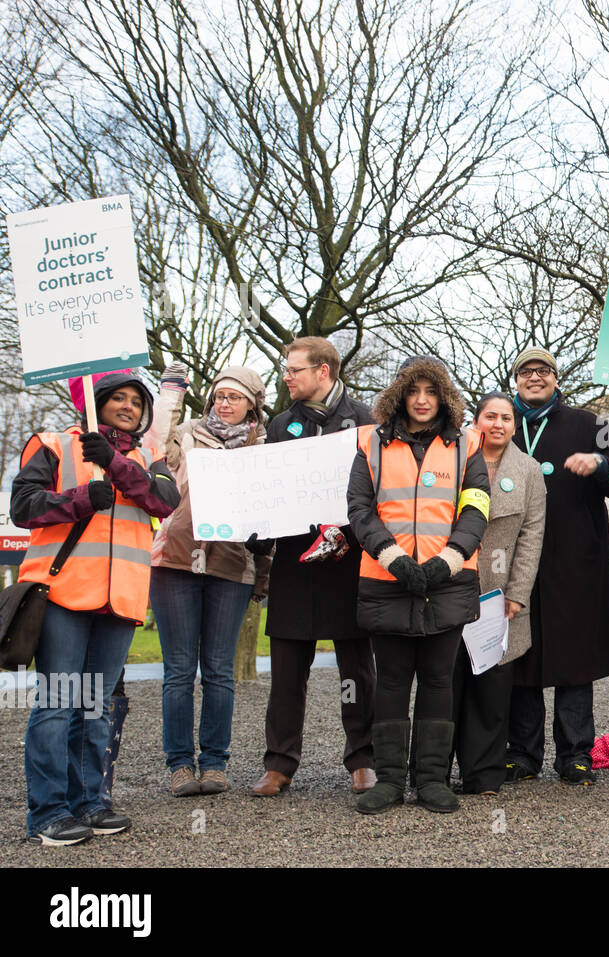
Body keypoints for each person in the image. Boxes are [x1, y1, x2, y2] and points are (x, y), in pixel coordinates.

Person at [13, 372, 179, 845]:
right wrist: (81, 498)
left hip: (121, 597)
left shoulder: (149, 457)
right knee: (58, 703)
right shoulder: (53, 443)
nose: (128, 406)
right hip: (64, 592)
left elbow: (165, 501)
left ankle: (89, 801)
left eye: (136, 401)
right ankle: (48, 813)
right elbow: (23, 507)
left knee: (96, 706)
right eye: (118, 398)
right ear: (97, 401)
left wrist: (116, 464)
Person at [347, 356, 490, 813]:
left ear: (444, 396)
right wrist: (392, 558)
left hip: (447, 581)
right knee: (390, 680)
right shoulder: (370, 442)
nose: (422, 400)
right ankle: (388, 780)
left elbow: (476, 508)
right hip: (387, 579)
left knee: (438, 679)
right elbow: (359, 509)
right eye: (413, 391)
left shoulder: (467, 444)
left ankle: (431, 779)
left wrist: (448, 560)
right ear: (400, 395)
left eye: (431, 391)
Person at [253, 337, 378, 797]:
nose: (286, 377)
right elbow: (268, 491)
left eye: (294, 370)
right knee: (286, 671)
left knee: (356, 671)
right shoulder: (280, 424)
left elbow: (379, 492)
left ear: (323, 371)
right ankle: (280, 762)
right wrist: (257, 529)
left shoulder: (367, 422)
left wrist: (354, 532)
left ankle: (363, 758)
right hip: (294, 564)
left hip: (349, 563)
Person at [505, 346, 609, 786]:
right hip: (519, 560)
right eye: (526, 371)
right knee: (520, 653)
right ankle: (521, 754)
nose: (535, 377)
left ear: (556, 379)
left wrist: (598, 463)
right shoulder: (502, 425)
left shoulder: (589, 423)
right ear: (516, 379)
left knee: (575, 657)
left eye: (543, 371)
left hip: (576, 559)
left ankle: (575, 754)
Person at [150, 364, 271, 797]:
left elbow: (271, 511)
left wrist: (264, 567)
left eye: (234, 397)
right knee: (179, 670)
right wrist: (170, 395)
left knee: (219, 670)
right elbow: (155, 445)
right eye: (219, 396)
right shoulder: (186, 434)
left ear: (252, 405)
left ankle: (215, 762)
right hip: (177, 561)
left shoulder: (264, 447)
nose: (224, 403)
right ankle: (180, 765)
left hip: (232, 566)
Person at [448, 391, 545, 795]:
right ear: (478, 420)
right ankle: (431, 773)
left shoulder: (529, 469)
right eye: (491, 416)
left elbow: (531, 534)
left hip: (500, 596)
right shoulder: (451, 458)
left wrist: (517, 593)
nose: (499, 425)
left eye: (506, 417)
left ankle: (483, 775)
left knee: (491, 691)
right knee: (446, 687)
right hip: (451, 584)